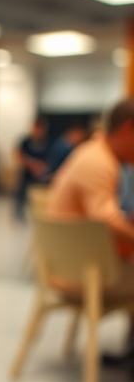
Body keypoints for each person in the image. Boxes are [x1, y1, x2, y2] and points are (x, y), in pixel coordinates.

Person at [46, 96, 134, 361]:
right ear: (128, 129)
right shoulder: (100, 162)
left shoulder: (92, 152)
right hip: (81, 274)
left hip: (71, 263)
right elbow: (105, 219)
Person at [13, 116, 49, 220]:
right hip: (26, 174)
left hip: (39, 175)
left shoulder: (45, 142)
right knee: (20, 196)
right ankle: (18, 216)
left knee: (36, 196)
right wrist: (30, 164)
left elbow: (48, 158)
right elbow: (18, 154)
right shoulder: (26, 141)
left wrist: (41, 167)